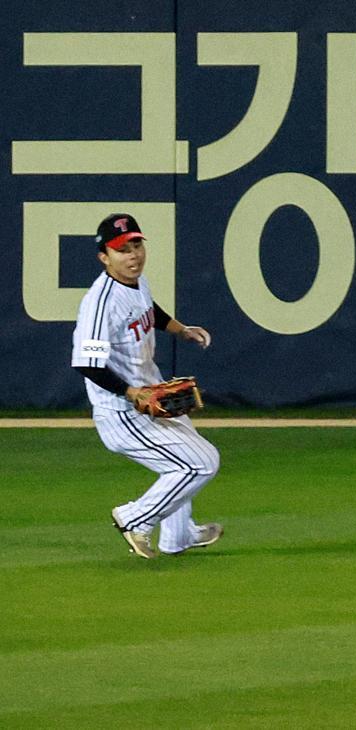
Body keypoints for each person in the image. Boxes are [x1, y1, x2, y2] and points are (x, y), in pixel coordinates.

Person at [69, 213, 223, 559]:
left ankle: (178, 536)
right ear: (104, 257)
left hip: (153, 397)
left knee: (185, 458)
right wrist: (131, 393)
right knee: (201, 463)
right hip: (123, 413)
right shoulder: (100, 303)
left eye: (136, 245)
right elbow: (85, 362)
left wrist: (181, 330)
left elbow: (147, 310)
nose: (133, 255)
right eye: (122, 249)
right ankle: (134, 518)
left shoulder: (137, 282)